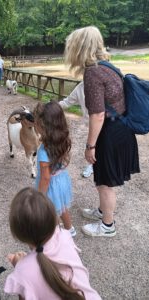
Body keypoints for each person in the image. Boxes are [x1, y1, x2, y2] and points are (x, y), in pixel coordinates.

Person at [64, 26, 140, 237]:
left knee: (105, 182)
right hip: (120, 128)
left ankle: (108, 226)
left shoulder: (93, 72)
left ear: (80, 48)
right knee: (102, 177)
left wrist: (90, 146)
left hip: (111, 132)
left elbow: (97, 114)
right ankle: (101, 211)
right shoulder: (107, 66)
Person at [4, 187, 102, 300]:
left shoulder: (23, 271)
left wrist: (19, 264)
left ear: (17, 233)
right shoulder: (65, 236)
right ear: (54, 220)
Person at [34, 101, 76, 237]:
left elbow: (45, 177)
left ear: (43, 126)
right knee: (62, 205)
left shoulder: (43, 150)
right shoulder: (61, 140)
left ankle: (57, 238)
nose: (34, 125)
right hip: (62, 180)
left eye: (36, 122)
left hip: (51, 186)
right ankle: (70, 229)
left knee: (51, 213)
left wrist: (40, 196)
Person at [59, 82, 93, 178]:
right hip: (91, 123)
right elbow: (67, 102)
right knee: (93, 143)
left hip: (106, 121)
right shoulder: (81, 87)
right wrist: (53, 106)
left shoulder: (102, 83)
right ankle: (92, 165)